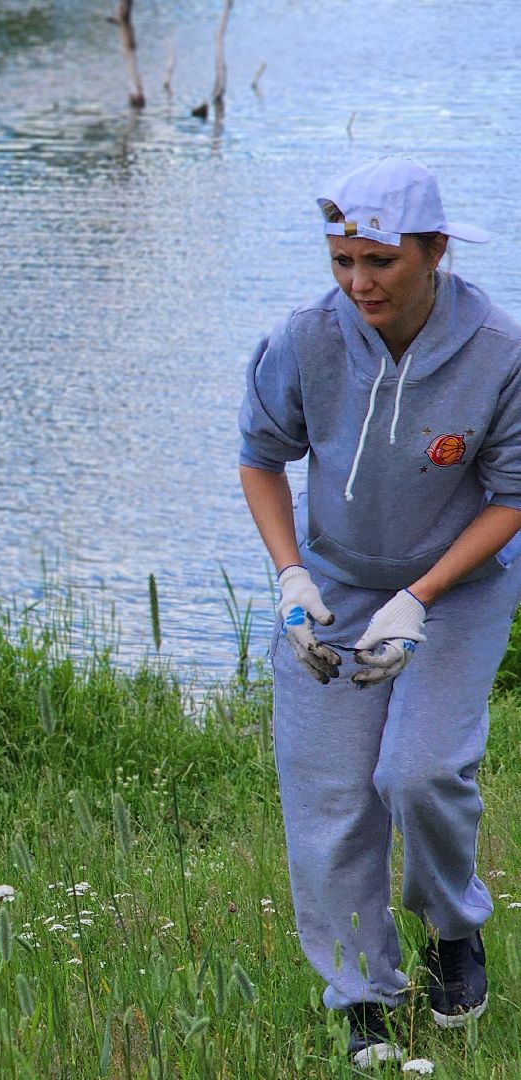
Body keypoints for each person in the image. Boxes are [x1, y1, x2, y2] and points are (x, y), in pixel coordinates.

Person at [239, 157, 521, 1067]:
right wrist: (291, 576)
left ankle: (452, 929)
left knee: (419, 772)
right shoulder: (306, 340)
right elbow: (260, 457)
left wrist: (420, 597)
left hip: (456, 590)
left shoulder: (498, 355)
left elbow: (513, 496)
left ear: (435, 251)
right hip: (334, 584)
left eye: (380, 261)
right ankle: (363, 989)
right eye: (342, 259)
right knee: (328, 801)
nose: (358, 282)